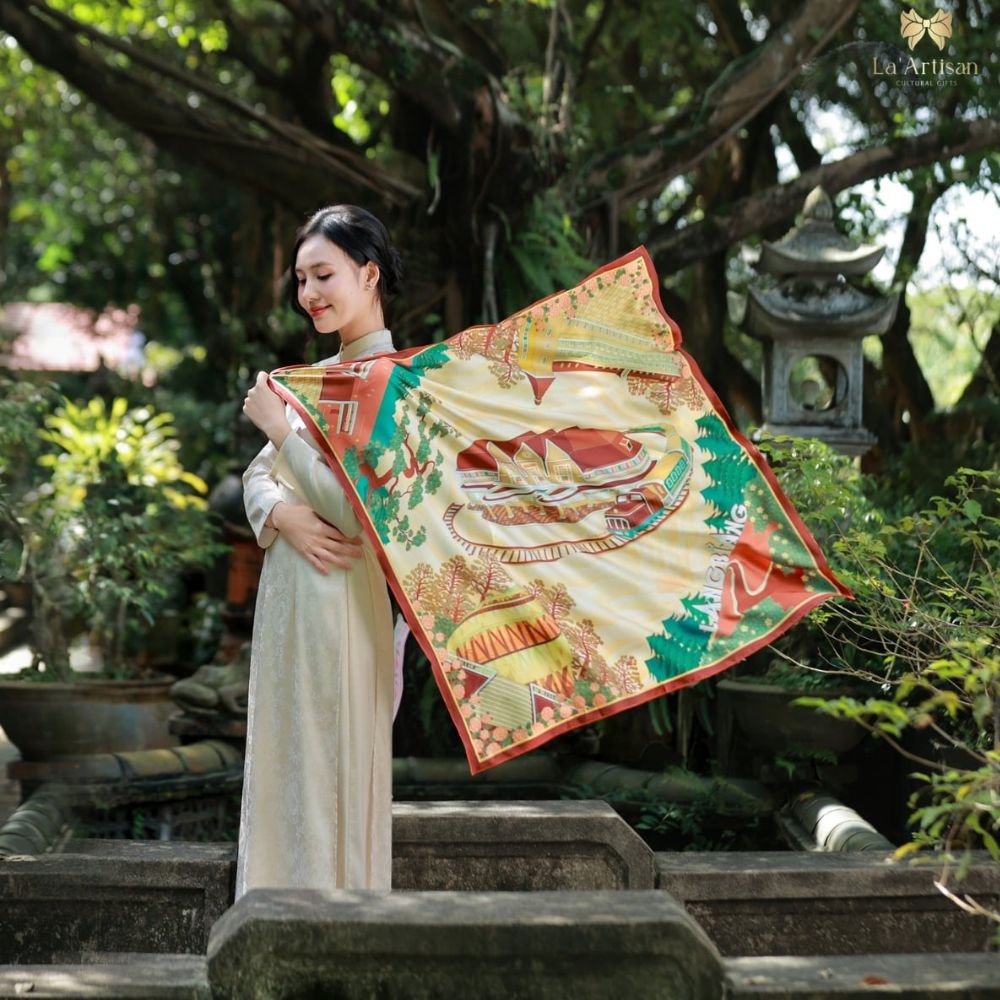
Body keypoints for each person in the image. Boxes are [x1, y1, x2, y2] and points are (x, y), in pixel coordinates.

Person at [236, 205, 402, 898]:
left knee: (332, 777)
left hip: (341, 609)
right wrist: (284, 516)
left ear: (369, 274)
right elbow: (256, 481)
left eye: (324, 275)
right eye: (301, 279)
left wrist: (282, 432)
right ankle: (269, 927)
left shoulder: (396, 382)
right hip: (287, 610)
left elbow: (361, 513)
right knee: (283, 768)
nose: (309, 294)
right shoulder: (312, 380)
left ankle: (337, 936)